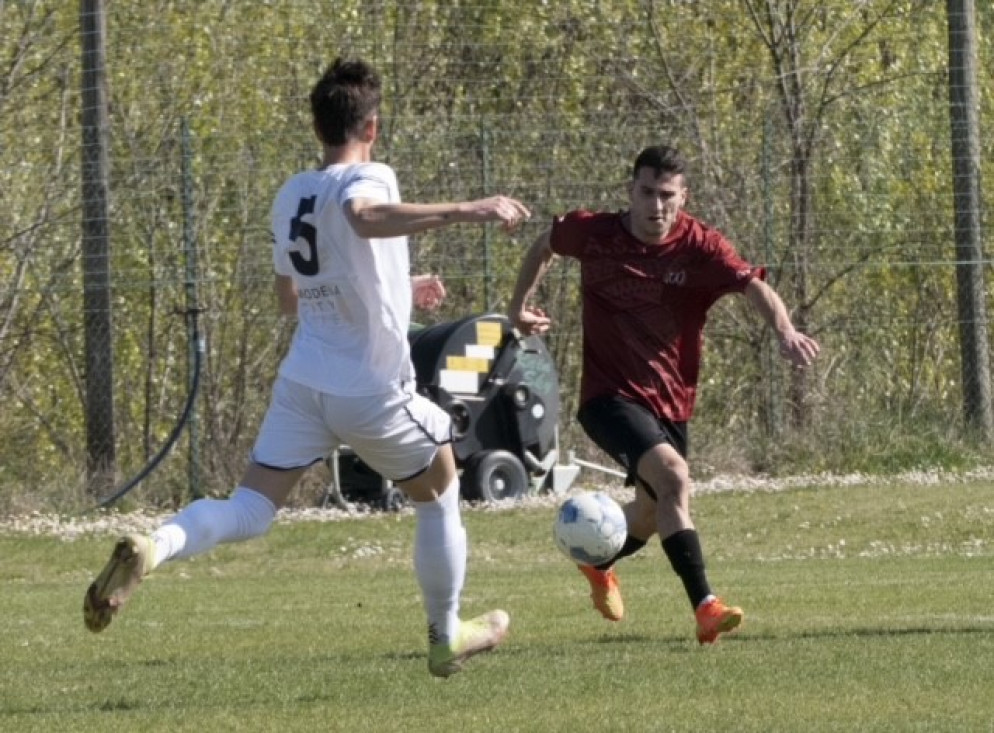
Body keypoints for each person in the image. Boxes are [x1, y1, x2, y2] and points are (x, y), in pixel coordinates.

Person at [83, 57, 531, 678]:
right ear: (372, 126)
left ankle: (154, 546)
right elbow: (363, 216)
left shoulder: (292, 193)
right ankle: (445, 632)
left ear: (317, 126)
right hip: (370, 391)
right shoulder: (370, 176)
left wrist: (400, 288)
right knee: (440, 491)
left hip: (305, 383)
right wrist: (469, 208)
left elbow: (291, 296)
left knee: (249, 509)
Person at [508, 145, 819, 644]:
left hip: (671, 401)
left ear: (683, 198)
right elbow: (545, 244)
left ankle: (598, 562)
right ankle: (706, 608)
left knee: (654, 512)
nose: (656, 205)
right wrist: (518, 307)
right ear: (631, 191)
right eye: (647, 192)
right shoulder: (595, 232)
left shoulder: (700, 245)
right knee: (674, 477)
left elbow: (753, 285)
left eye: (667, 195)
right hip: (608, 397)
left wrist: (785, 330)